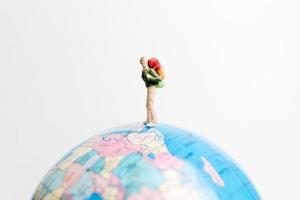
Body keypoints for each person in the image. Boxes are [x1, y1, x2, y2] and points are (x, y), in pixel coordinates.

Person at [140, 57, 165, 126]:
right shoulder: (143, 72)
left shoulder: (151, 70)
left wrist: (151, 78)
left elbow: (158, 79)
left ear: (147, 62)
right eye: (142, 63)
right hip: (148, 88)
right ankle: (148, 119)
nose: (143, 64)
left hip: (152, 87)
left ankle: (154, 121)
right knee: (147, 105)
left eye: (144, 62)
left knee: (150, 104)